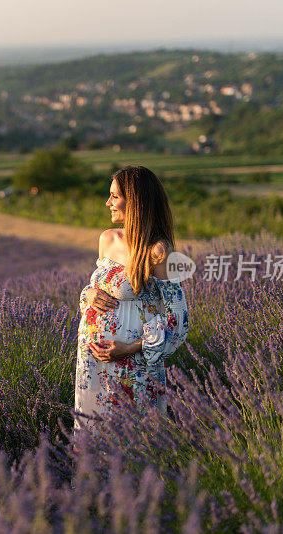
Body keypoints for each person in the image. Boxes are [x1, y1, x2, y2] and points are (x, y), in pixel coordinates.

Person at [74, 166, 189, 435]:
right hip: (91, 362)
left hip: (132, 365)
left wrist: (130, 348)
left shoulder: (158, 251)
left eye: (115, 196)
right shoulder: (107, 239)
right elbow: (95, 290)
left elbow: (178, 320)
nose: (108, 203)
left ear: (135, 201)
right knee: (92, 436)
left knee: (133, 440)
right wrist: (88, 293)